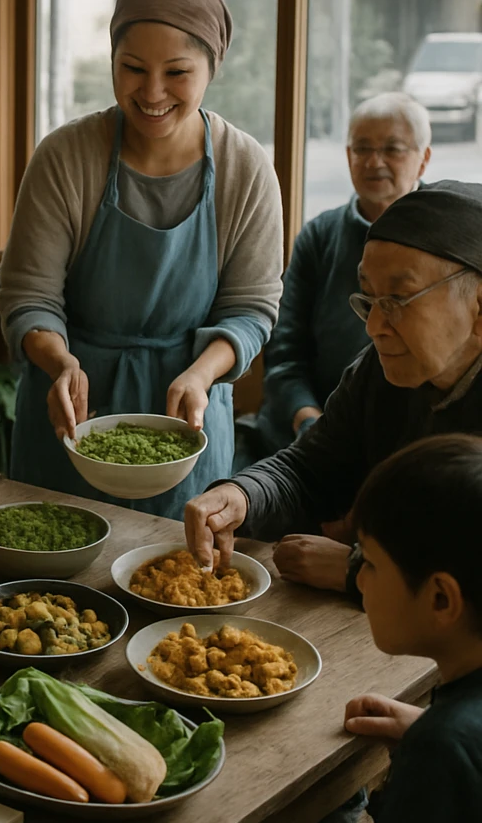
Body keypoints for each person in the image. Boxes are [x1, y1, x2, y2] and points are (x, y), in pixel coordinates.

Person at [0, 0, 283, 518]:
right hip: (71, 418)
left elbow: (252, 310)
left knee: (174, 586)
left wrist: (201, 375)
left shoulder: (245, 168)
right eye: (132, 68)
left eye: (177, 72)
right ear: (111, 62)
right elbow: (28, 297)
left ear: (211, 68)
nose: (152, 92)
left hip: (185, 425)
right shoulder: (66, 157)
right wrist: (59, 364)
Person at [185, 180, 482, 593]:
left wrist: (357, 570)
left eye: (397, 300)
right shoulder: (379, 370)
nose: (374, 327)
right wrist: (242, 494)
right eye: (369, 299)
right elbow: (308, 470)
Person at [237, 93, 431, 468]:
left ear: (424, 158)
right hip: (313, 427)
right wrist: (310, 420)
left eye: (392, 149)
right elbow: (285, 353)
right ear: (348, 155)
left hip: (412, 440)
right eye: (362, 148)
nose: (374, 162)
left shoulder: (446, 236)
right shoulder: (320, 236)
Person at [343, 434, 482, 823]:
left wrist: (439, 749)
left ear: (441, 598)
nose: (360, 580)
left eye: (367, 561)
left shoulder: (440, 753)